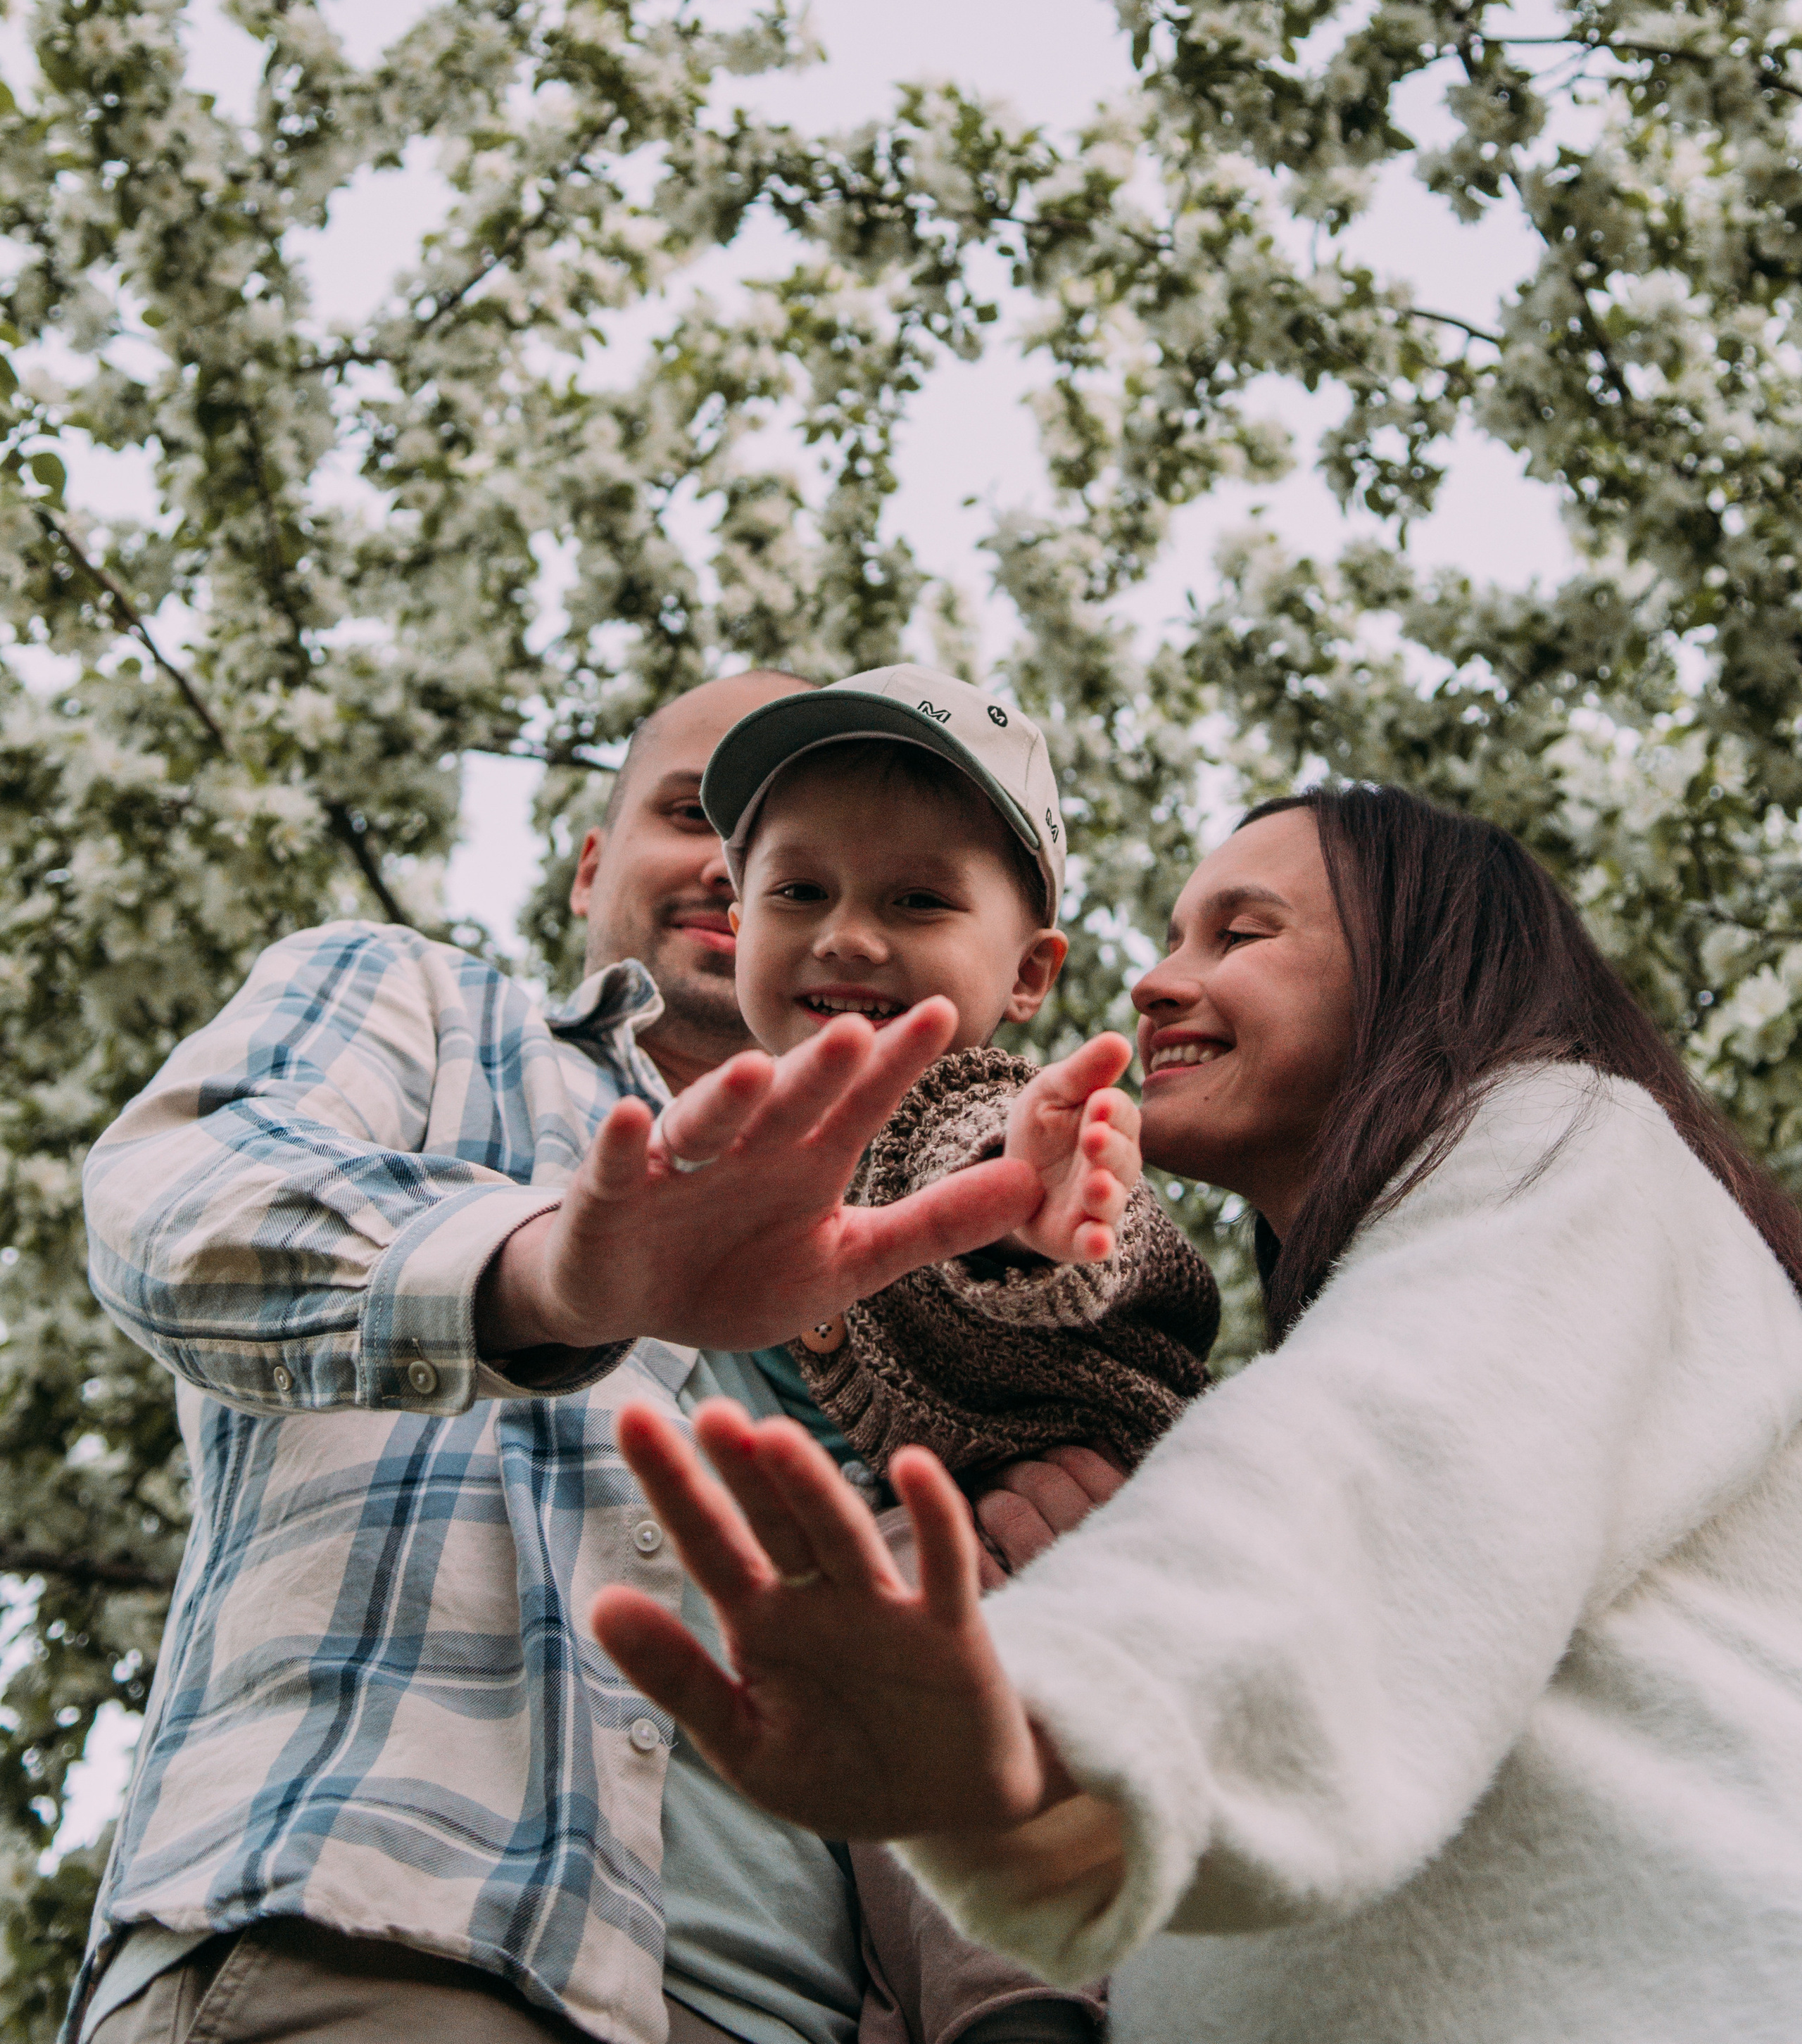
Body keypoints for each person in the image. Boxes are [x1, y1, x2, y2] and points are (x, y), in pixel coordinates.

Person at [595, 784, 1802, 2044]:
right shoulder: (1338, 1329)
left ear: (1424, 958)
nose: (1157, 982)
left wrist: (1059, 1689)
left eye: (1240, 933)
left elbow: (1385, 1449)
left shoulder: (1573, 1141)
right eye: (1174, 936)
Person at [70, 671, 1093, 2044]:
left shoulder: (954, 1239)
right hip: (405, 1941)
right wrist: (542, 1275)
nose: (741, 873)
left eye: (902, 886)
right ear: (589, 867)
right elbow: (181, 1200)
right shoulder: (427, 1009)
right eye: (702, 821)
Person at [702, 665, 1218, 1487]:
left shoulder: (978, 1106)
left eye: (918, 901)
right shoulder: (720, 1146)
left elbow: (988, 1158)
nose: (846, 937)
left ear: (1028, 973)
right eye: (799, 891)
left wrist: (1019, 1203)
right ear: (739, 929)